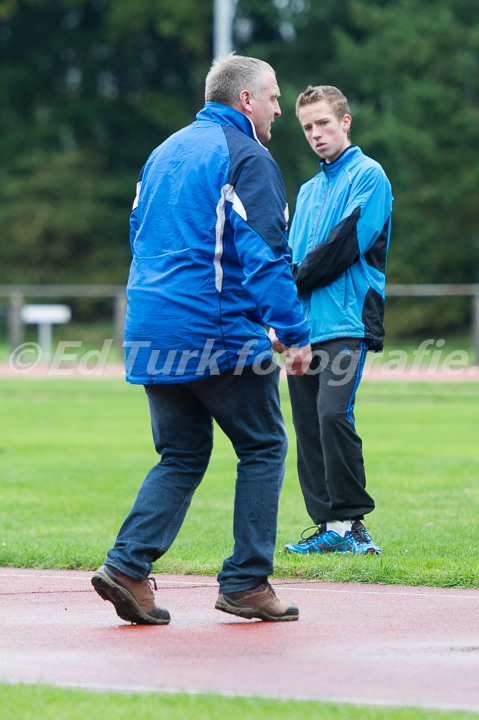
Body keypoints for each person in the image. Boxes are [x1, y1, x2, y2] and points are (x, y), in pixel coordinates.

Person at [91, 54, 312, 625]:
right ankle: (246, 581)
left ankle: (128, 568)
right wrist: (293, 334)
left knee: (182, 453)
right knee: (263, 446)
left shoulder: (164, 151)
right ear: (245, 100)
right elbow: (266, 256)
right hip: (212, 330)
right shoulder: (247, 157)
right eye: (273, 96)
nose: (279, 108)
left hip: (149, 326)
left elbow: (138, 235)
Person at [271, 85, 392, 556]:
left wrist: (289, 283)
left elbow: (343, 246)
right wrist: (280, 320)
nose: (316, 134)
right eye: (307, 127)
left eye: (323, 123)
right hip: (302, 329)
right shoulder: (307, 190)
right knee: (306, 424)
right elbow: (288, 256)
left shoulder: (369, 176)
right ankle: (329, 529)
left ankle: (355, 524)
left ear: (345, 122)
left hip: (346, 323)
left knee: (332, 413)